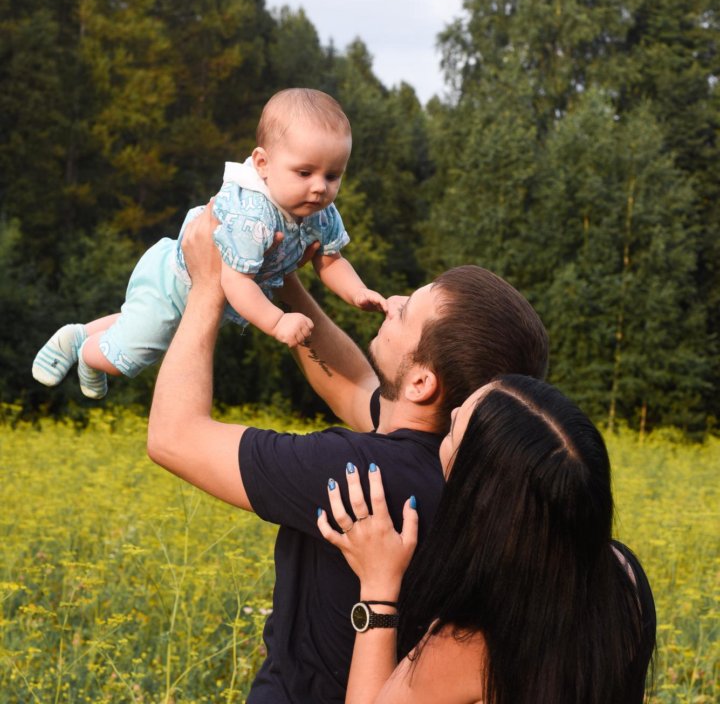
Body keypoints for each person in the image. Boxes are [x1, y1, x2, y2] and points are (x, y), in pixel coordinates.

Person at [145, 204, 550, 703]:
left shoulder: (357, 474)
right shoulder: (474, 475)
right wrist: (283, 281)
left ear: (423, 383)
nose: (393, 301)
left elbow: (173, 436)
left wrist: (210, 284)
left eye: (407, 311)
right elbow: (353, 386)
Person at [318, 375, 656, 704]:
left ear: (477, 493)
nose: (450, 412)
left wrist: (379, 589)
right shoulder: (624, 577)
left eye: (456, 428)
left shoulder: (468, 643)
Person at [32, 88, 385, 399]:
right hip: (176, 284)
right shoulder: (253, 216)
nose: (320, 187)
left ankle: (78, 334)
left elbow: (330, 259)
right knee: (123, 359)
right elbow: (235, 281)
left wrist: (357, 292)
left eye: (332, 175)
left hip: (192, 288)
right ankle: (88, 354)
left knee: (136, 322)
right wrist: (277, 323)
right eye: (305, 173)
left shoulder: (319, 211)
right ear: (262, 163)